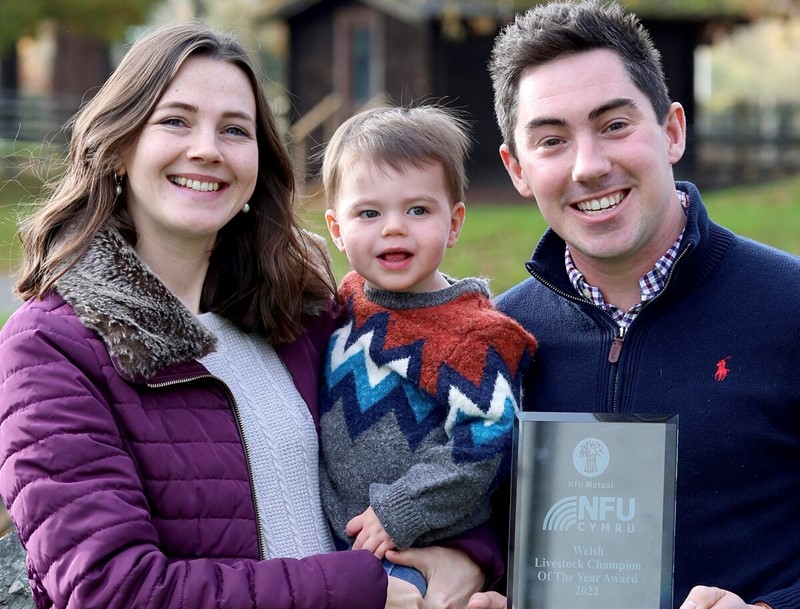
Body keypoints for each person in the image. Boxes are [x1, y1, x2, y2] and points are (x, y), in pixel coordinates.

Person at [0, 23, 497, 609]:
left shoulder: (303, 313)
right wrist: (365, 592)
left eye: (235, 129)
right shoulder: (51, 347)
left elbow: (430, 448)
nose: (207, 149)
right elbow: (110, 588)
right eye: (175, 120)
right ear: (119, 146)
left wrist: (464, 556)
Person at [467, 2, 800, 609]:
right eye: (551, 141)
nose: (589, 166)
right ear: (517, 169)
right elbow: (472, 530)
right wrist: (472, 579)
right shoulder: (494, 342)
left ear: (672, 131)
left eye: (614, 125)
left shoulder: (789, 309)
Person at [319, 106, 538, 597]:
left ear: (454, 222)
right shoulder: (343, 306)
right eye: (369, 213)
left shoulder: (472, 337)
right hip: (335, 549)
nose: (393, 228)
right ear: (337, 228)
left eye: (417, 210)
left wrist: (401, 509)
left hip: (419, 555)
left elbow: (485, 445)